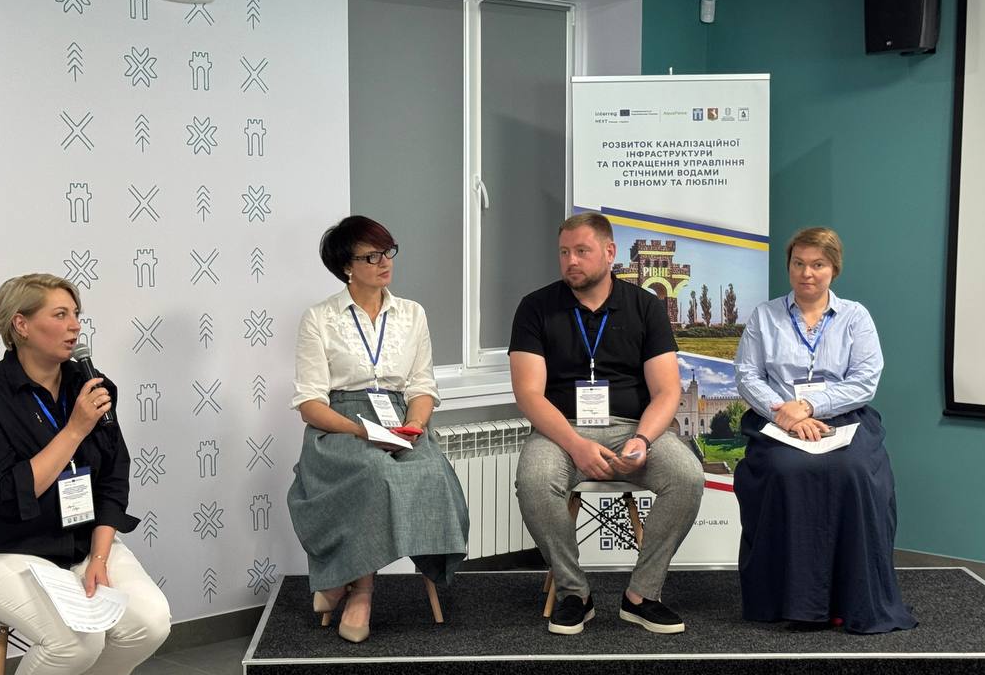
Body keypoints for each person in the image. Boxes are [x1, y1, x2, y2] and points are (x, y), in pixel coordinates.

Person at [0, 274, 171, 675]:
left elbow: (114, 477)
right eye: (60, 315)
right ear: (21, 325)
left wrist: (100, 556)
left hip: (76, 542)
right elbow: (7, 496)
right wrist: (74, 429)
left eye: (77, 315)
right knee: (77, 639)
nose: (75, 327)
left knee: (149, 623)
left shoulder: (90, 386)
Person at [510, 212, 705, 635]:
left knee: (687, 476)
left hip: (632, 427)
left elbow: (667, 391)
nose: (571, 261)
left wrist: (643, 439)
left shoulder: (645, 306)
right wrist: (576, 445)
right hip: (560, 430)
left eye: (582, 251)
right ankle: (574, 593)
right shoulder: (535, 307)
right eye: (564, 252)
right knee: (534, 479)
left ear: (610, 252)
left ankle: (642, 594)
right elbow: (528, 394)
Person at [287, 216, 469, 643]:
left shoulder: (412, 313)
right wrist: (363, 432)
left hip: (401, 418)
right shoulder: (319, 318)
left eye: (388, 252)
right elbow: (311, 404)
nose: (384, 262)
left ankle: (338, 579)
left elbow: (422, 386)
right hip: (342, 425)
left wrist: (415, 425)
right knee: (375, 472)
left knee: (432, 471)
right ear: (346, 266)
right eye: (371, 256)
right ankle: (361, 590)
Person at [733, 227, 916, 634]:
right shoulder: (765, 316)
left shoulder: (855, 317)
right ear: (789, 266)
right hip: (780, 420)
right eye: (798, 263)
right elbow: (747, 375)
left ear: (834, 268)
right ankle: (794, 602)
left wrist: (812, 406)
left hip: (844, 419)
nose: (807, 273)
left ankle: (852, 600)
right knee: (784, 470)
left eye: (817, 264)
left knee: (854, 471)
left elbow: (865, 381)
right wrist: (786, 413)